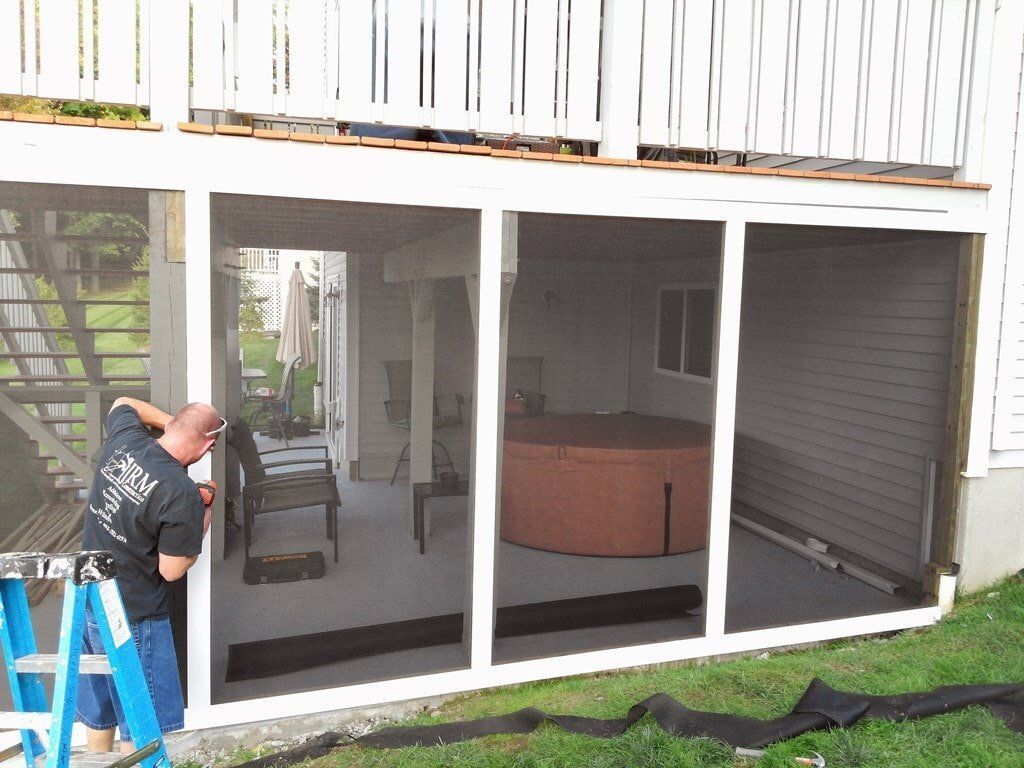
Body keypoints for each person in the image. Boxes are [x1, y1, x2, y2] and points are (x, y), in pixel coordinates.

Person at [76, 397, 225, 752]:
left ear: (171, 427)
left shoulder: (125, 440)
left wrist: (177, 423)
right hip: (133, 617)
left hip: (90, 601)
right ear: (209, 444)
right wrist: (205, 511)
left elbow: (123, 402)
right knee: (140, 723)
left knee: (102, 710)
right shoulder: (180, 493)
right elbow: (172, 569)